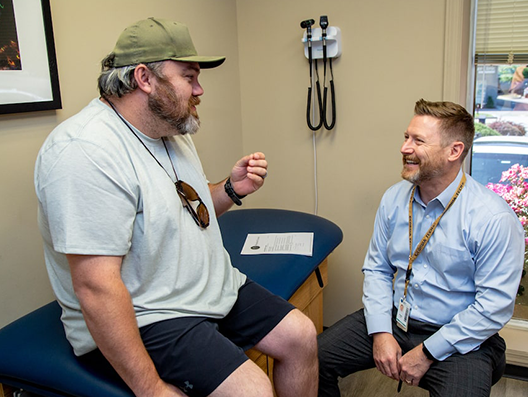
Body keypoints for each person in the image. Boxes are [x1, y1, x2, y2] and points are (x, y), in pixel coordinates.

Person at [35, 17, 317, 397]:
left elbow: (190, 212)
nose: (199, 89)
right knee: (252, 389)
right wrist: (151, 389)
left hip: (206, 287)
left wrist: (232, 189)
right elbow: (95, 287)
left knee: (301, 336)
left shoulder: (171, 128)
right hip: (150, 314)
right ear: (144, 78)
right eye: (189, 76)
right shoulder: (84, 152)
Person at [318, 99, 525, 397]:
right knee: (311, 358)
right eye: (406, 137)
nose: (404, 148)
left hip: (458, 336)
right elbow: (377, 268)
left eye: (418, 141)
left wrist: (427, 352)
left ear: (454, 151)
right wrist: (380, 332)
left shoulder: (493, 218)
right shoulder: (393, 198)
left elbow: (493, 307)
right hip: (394, 318)